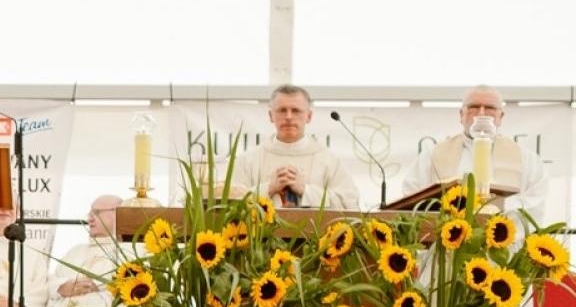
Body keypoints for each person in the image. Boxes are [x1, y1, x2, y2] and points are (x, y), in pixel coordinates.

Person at [395, 85, 548, 222]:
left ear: (501, 117)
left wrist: (492, 211)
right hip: (449, 245)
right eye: (474, 107)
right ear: (461, 115)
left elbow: (535, 201)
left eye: (489, 107)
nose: (481, 113)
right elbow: (413, 196)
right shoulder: (432, 156)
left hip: (502, 246)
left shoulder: (526, 159)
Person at [233, 85, 359, 210]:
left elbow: (349, 204)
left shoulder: (329, 161)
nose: (288, 117)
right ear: (271, 115)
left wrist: (306, 190)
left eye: (296, 110)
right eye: (282, 110)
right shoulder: (248, 160)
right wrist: (269, 188)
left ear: (309, 116)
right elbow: (229, 203)